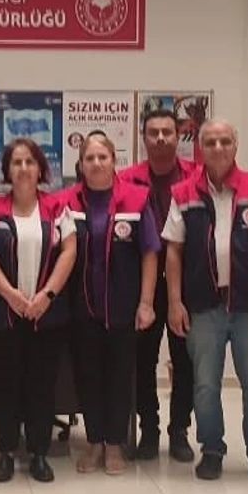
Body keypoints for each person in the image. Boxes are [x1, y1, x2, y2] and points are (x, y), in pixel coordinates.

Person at [164, 120, 248, 482]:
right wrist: (174, 302)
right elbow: (174, 250)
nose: (218, 148)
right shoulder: (183, 193)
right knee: (205, 385)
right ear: (201, 148)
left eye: (225, 141)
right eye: (211, 142)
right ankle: (212, 450)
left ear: (236, 145)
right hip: (203, 306)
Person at [0, 138, 76, 483]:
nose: (23, 168)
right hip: (3, 314)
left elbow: (69, 251)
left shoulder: (57, 207)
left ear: (40, 168)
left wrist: (47, 295)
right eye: (16, 162)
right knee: (4, 383)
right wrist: (10, 295)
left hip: (47, 315)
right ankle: (5, 452)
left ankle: (38, 453)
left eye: (29, 162)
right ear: (7, 169)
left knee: (41, 384)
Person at [64, 132, 159, 475]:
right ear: (81, 164)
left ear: (114, 161)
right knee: (87, 376)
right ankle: (94, 443)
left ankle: (115, 444)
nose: (96, 163)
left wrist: (146, 303)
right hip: (81, 308)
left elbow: (150, 253)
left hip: (122, 307)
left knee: (120, 377)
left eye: (102, 157)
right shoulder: (67, 202)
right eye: (89, 158)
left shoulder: (137, 199)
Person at [118, 108, 197, 462]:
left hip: (188, 284)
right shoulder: (127, 180)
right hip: (143, 286)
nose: (161, 138)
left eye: (168, 132)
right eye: (154, 133)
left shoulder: (196, 176)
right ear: (143, 138)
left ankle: (179, 430)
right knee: (143, 361)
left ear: (178, 137)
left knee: (185, 361)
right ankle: (148, 430)